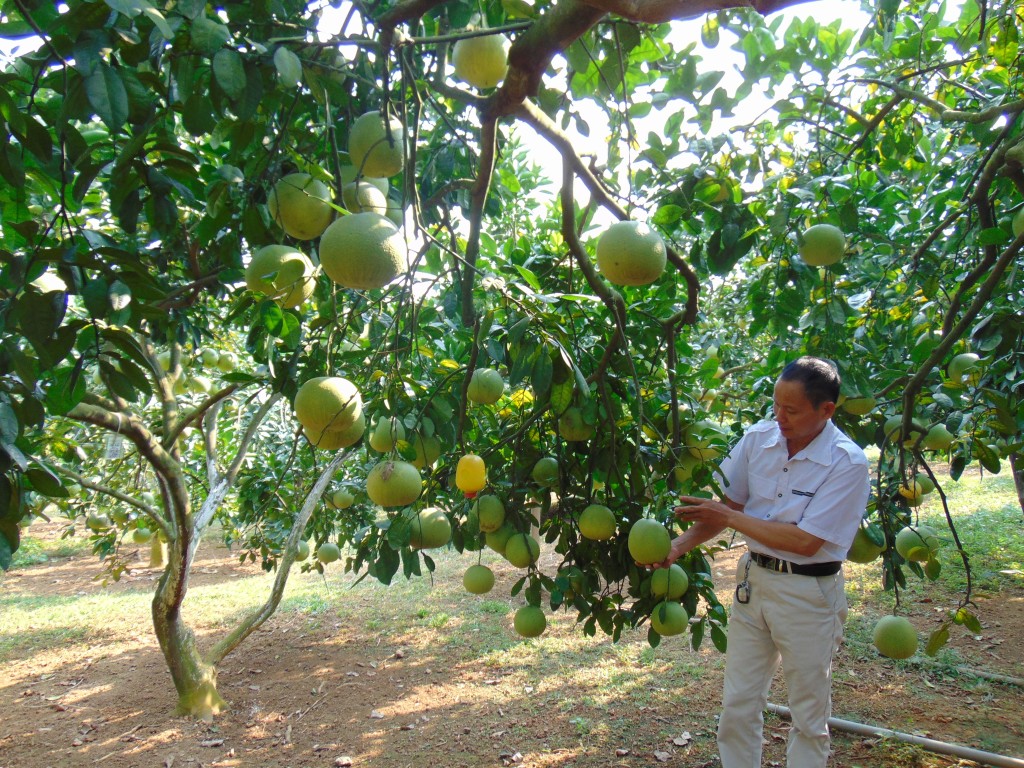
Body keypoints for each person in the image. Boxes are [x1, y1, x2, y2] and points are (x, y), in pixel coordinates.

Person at [664, 356, 870, 768]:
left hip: (809, 593)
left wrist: (730, 518)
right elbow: (727, 506)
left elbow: (806, 541)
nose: (779, 417)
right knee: (738, 702)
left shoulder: (847, 462)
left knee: (809, 713)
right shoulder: (758, 439)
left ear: (826, 410)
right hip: (753, 581)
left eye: (791, 410)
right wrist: (677, 547)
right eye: (775, 405)